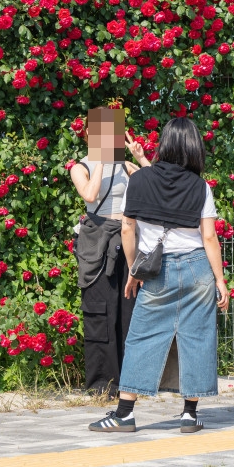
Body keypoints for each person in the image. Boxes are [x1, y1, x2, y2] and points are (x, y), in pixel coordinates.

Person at [88, 117, 229, 434]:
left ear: (164, 145)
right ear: (194, 148)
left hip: (157, 269)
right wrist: (220, 280)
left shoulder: (139, 181)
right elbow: (209, 238)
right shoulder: (200, 187)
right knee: (197, 339)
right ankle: (189, 416)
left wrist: (134, 268)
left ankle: (125, 414)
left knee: (142, 336)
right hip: (197, 269)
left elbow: (127, 228)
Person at [70, 107, 151, 397]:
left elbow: (158, 188)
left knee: (129, 312)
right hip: (98, 244)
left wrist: (141, 158)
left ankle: (131, 383)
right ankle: (102, 385)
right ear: (90, 134)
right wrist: (102, 161)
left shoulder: (127, 166)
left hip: (128, 240)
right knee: (100, 313)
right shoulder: (80, 166)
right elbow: (90, 195)